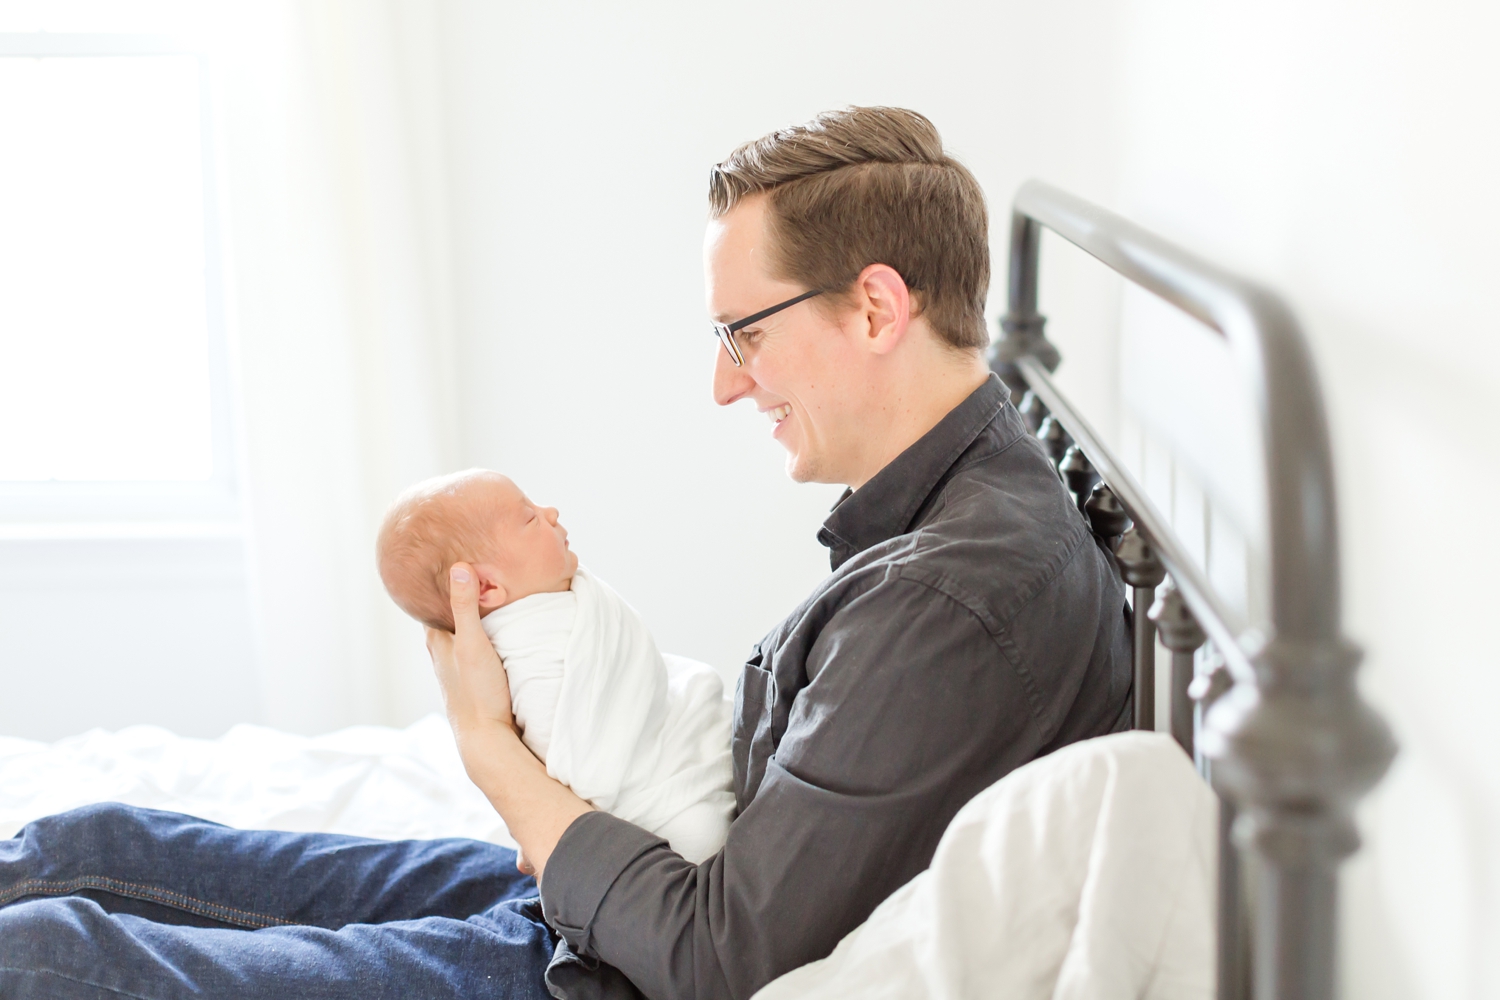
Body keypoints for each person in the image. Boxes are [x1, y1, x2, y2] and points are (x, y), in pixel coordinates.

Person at [0, 106, 1129, 1000]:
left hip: (613, 965)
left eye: (745, 332)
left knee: (53, 959)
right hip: (614, 893)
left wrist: (494, 753)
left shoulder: (954, 595)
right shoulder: (960, 508)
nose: (727, 382)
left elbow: (716, 962)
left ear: (877, 309)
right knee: (90, 841)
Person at [376, 469, 735, 864]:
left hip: (678, 722)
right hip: (659, 811)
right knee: (697, 836)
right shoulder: (529, 651)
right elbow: (575, 766)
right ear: (487, 588)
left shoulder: (554, 600)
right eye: (529, 517)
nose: (550, 512)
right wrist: (539, 830)